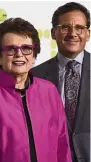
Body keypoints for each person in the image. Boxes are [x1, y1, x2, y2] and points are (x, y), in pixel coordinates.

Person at [0, 17, 72, 162]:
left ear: (34, 56)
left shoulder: (49, 91)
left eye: (26, 48)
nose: (19, 54)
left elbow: (62, 143)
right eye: (11, 49)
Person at [32, 2, 90, 162]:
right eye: (65, 27)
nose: (73, 34)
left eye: (80, 28)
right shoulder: (34, 76)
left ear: (88, 34)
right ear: (53, 32)